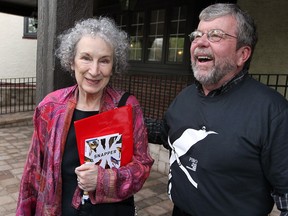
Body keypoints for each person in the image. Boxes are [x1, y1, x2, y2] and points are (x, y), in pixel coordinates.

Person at [157, 3, 288, 216]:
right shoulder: (185, 96)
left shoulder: (274, 112)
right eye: (197, 34)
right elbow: (164, 134)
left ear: (242, 54)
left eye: (215, 35)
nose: (200, 42)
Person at [16, 17, 154, 216]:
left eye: (104, 60)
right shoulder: (50, 107)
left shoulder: (126, 106)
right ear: (72, 61)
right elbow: (33, 171)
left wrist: (103, 179)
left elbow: (143, 165)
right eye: (86, 58)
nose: (95, 70)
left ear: (113, 65)